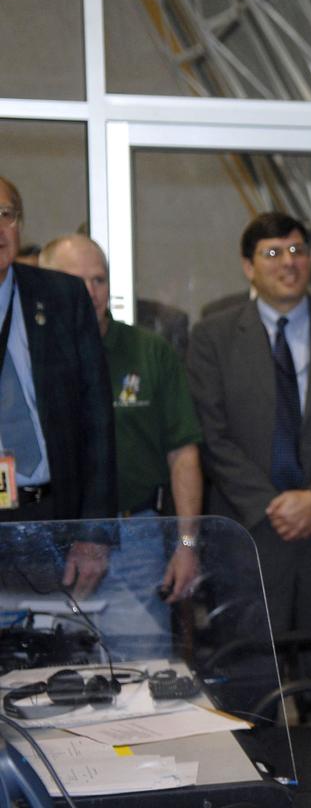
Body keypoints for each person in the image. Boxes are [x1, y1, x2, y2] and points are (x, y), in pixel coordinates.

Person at [187, 212, 311, 635]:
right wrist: (273, 506)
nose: (287, 263)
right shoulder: (211, 338)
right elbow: (211, 435)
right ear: (248, 266)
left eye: (297, 251)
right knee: (249, 678)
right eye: (272, 253)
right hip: (250, 532)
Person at [41, 235, 203, 619]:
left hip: (136, 539)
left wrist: (186, 545)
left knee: (142, 671)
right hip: (48, 541)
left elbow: (183, 455)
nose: (90, 292)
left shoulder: (149, 352)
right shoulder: (28, 357)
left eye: (99, 280)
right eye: (74, 281)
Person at [0, 177, 116, 597]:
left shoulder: (63, 297)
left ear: (19, 225)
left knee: (54, 655)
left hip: (55, 524)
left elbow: (98, 422)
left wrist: (95, 534)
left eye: (5, 214)